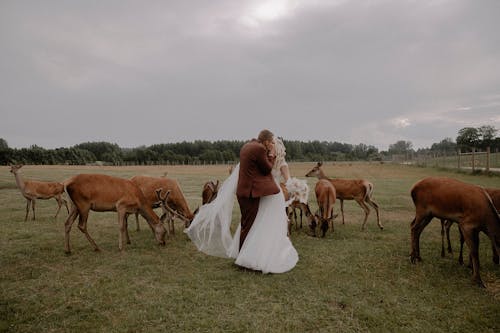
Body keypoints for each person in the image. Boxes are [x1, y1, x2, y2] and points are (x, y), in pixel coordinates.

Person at [184, 129, 298, 274]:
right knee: (252, 225)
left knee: (249, 224)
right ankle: (247, 259)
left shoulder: (248, 146)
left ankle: (246, 256)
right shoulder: (259, 150)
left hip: (253, 192)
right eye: (272, 143)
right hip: (256, 193)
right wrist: (272, 157)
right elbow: (266, 169)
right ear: (267, 142)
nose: (273, 145)